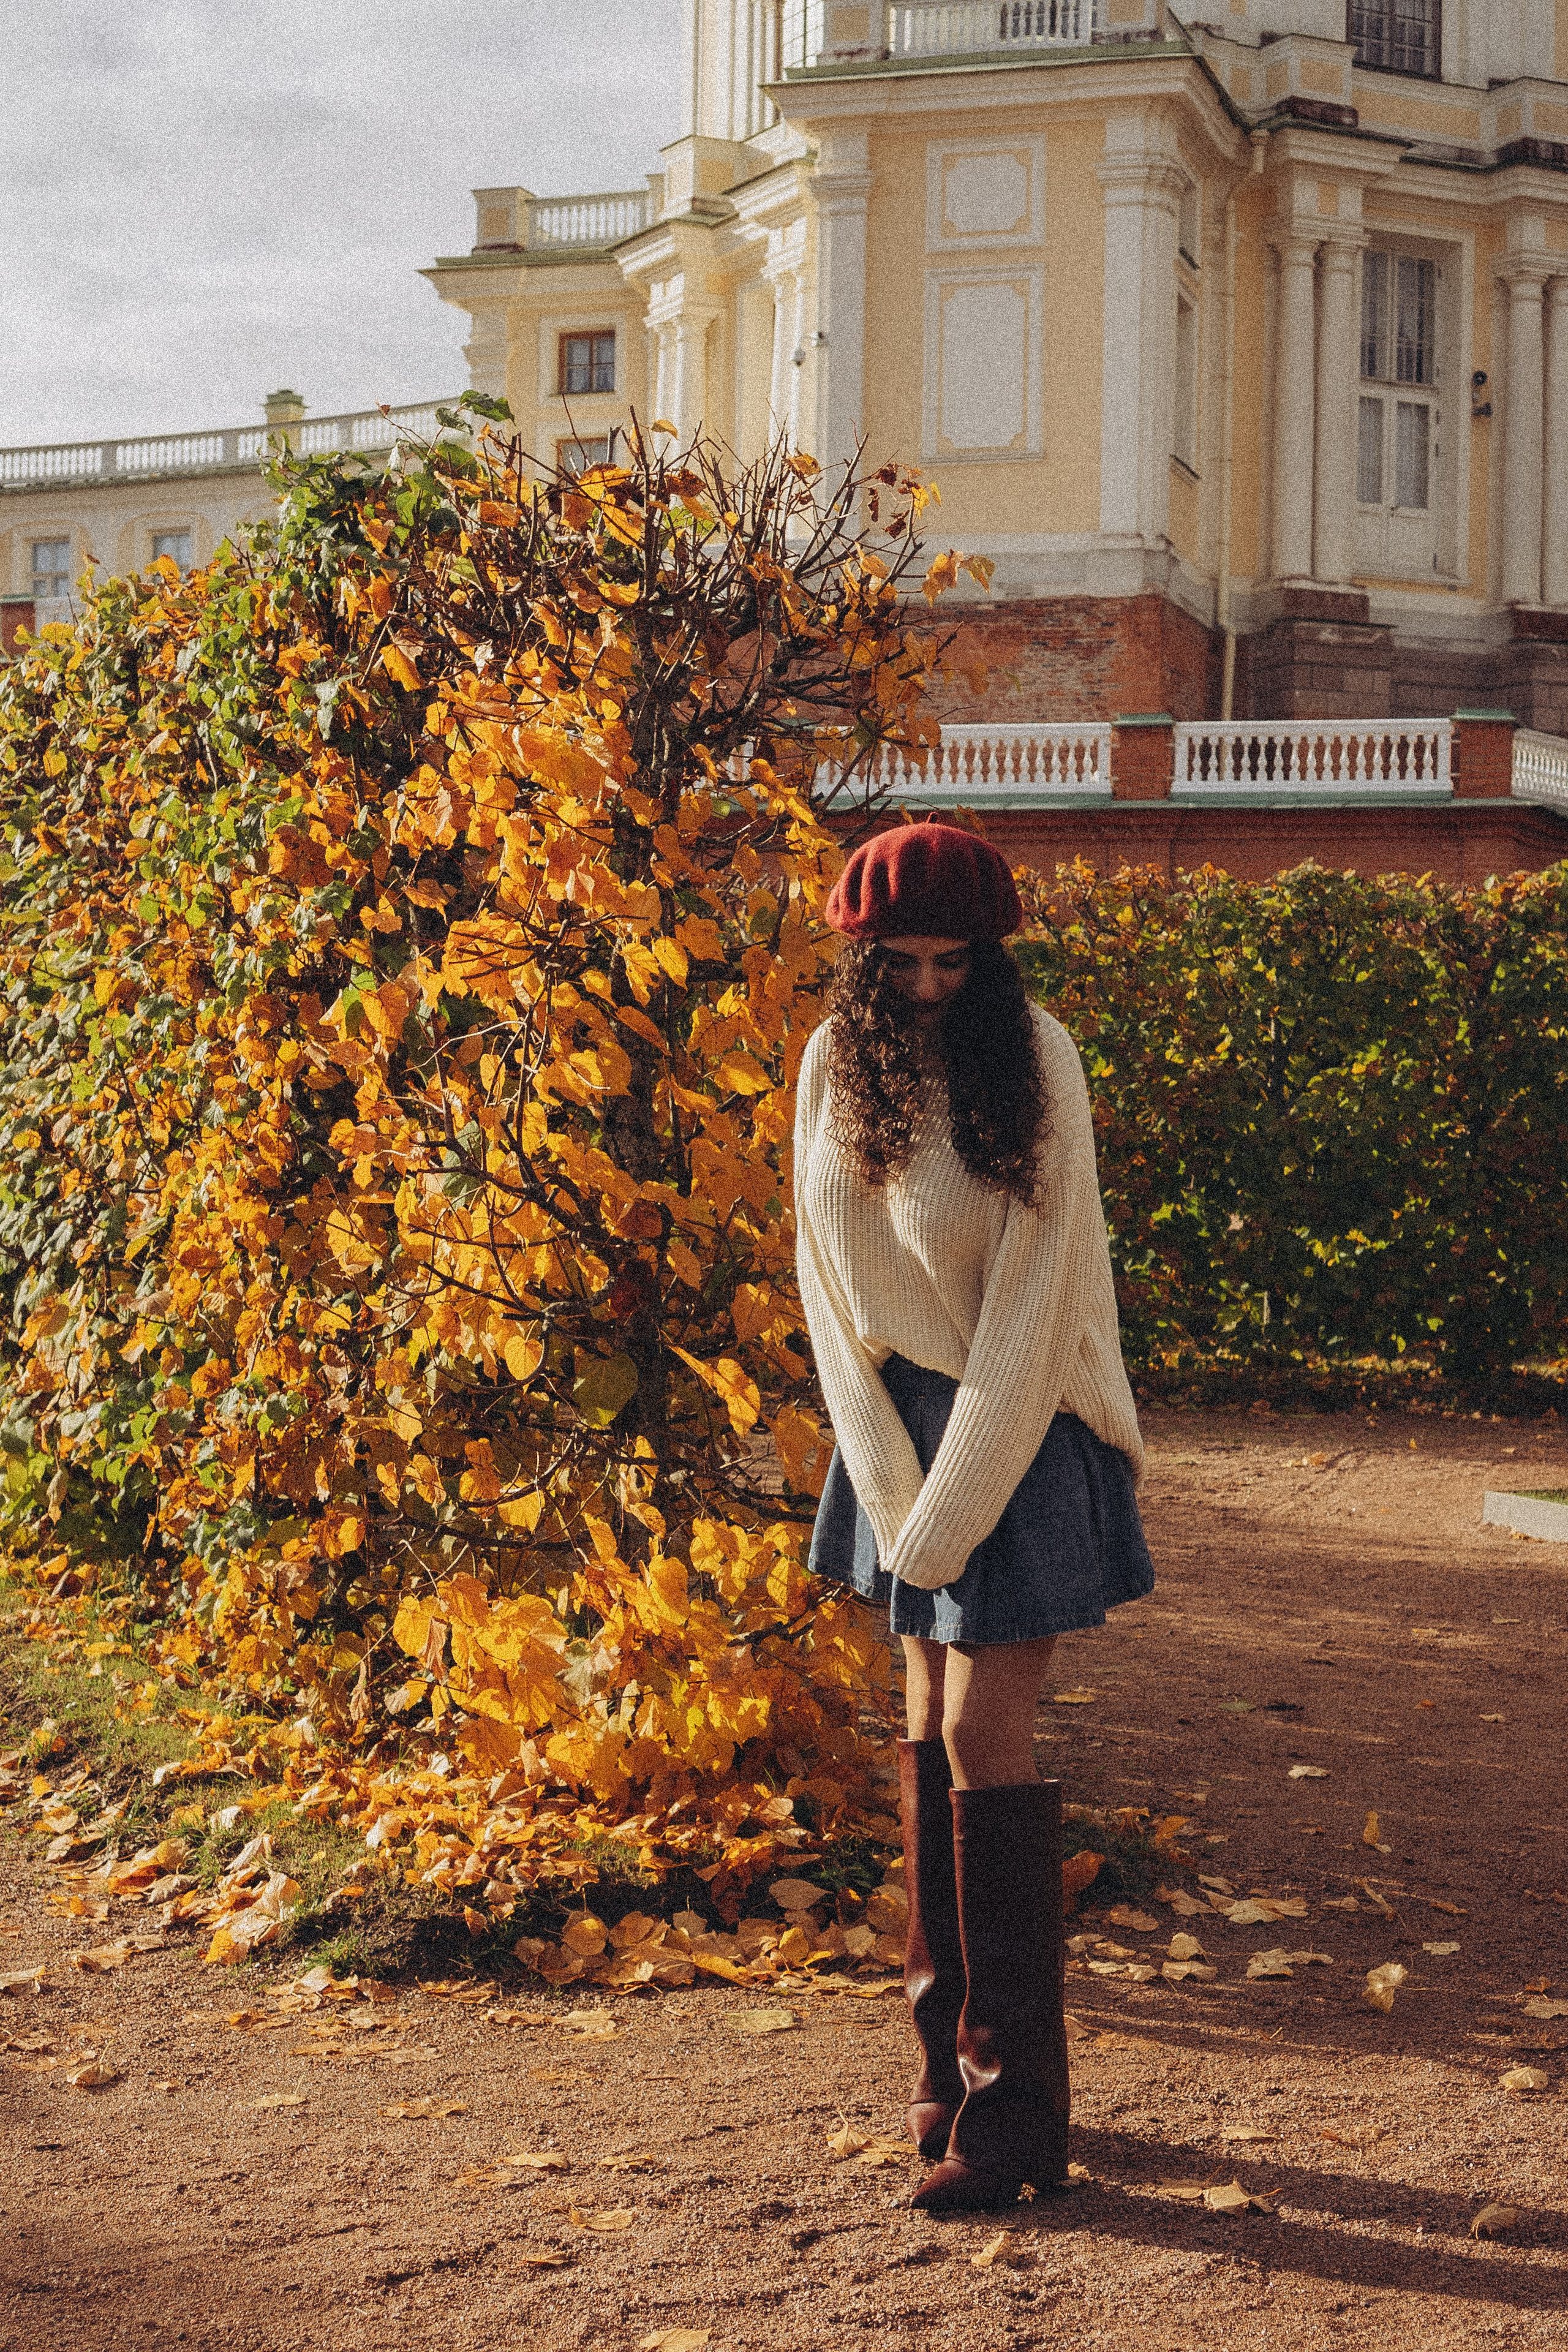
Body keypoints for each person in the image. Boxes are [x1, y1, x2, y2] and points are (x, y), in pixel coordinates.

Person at [793, 818, 1154, 2214]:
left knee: (974, 1735)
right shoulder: (832, 1065)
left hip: (1024, 1427)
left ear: (989, 957)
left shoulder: (1036, 1056)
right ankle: (943, 2074)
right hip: (892, 1439)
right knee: (918, 1738)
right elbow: (824, 1286)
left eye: (956, 960)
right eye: (904, 961)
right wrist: (886, 1484)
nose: (932, 985)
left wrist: (939, 1516)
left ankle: (1016, 2116)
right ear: (861, 956)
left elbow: (1037, 1304)